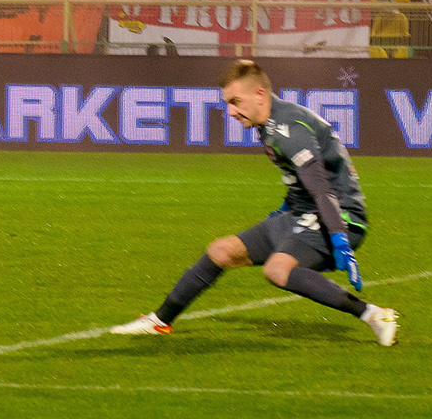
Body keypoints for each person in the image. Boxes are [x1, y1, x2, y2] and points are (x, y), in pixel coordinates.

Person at [111, 60, 399, 347]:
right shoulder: (270, 122)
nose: (230, 111)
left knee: (277, 270)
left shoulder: (287, 129)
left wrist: (339, 238)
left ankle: (374, 315)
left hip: (339, 216)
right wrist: (286, 210)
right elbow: (302, 177)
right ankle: (160, 322)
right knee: (221, 251)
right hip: (303, 213)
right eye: (228, 103)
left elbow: (321, 189)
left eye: (236, 102)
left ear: (259, 94)